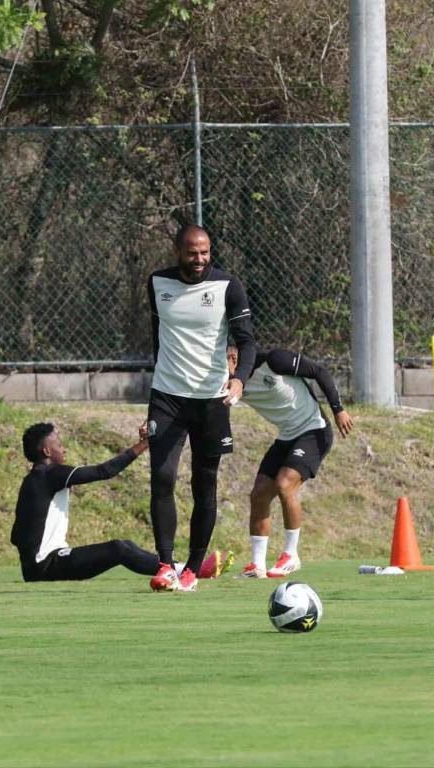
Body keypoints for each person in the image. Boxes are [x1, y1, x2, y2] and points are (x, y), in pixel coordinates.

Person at [144, 224, 256, 592]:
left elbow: (247, 341)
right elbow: (159, 336)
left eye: (205, 252)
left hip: (211, 399)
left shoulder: (228, 286)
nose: (200, 259)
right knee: (162, 478)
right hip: (167, 397)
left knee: (203, 484)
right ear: (177, 251)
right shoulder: (157, 283)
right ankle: (165, 565)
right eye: (192, 252)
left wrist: (239, 378)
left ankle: (191, 569)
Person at [227, 346, 353, 578]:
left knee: (285, 485)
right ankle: (257, 566)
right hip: (287, 436)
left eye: (219, 363)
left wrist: (338, 410)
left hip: (314, 430)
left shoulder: (273, 361)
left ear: (233, 358)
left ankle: (291, 555)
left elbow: (319, 371)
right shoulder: (226, 384)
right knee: (259, 494)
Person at [10, 422, 160, 582]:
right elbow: (104, 471)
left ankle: (175, 568)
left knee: (127, 545)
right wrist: (145, 444)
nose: (63, 449)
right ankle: (177, 571)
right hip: (46, 565)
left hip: (36, 568)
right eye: (59, 445)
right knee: (118, 549)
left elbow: (16, 536)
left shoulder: (30, 480)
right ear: (47, 451)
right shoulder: (51, 474)